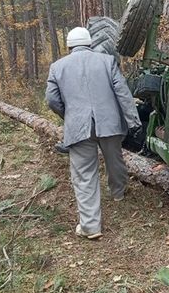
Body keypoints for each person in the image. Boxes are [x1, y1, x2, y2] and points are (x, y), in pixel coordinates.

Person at [45, 27, 141, 239]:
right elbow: (123, 93)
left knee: (84, 174)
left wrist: (68, 114)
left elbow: (51, 99)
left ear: (69, 46)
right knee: (115, 160)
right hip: (110, 124)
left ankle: (90, 227)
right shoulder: (107, 61)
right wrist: (133, 121)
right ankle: (118, 193)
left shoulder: (57, 67)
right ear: (89, 43)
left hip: (78, 127)